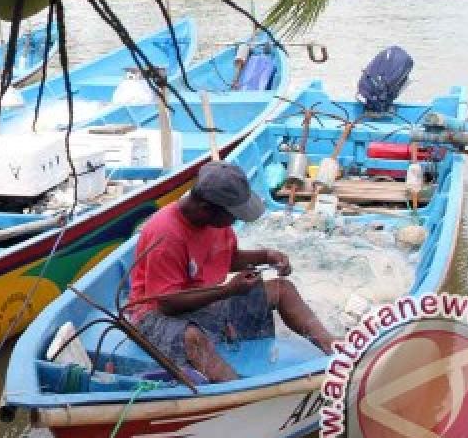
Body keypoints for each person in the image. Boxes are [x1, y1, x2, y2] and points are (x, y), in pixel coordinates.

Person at [126, 161, 336, 383]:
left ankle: (333, 348)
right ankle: (239, 391)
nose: (235, 221)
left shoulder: (213, 223)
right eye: (232, 215)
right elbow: (167, 303)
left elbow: (228, 258)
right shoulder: (166, 235)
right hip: (155, 312)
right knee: (193, 338)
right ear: (207, 209)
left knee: (282, 289)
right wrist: (227, 291)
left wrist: (266, 256)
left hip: (200, 300)